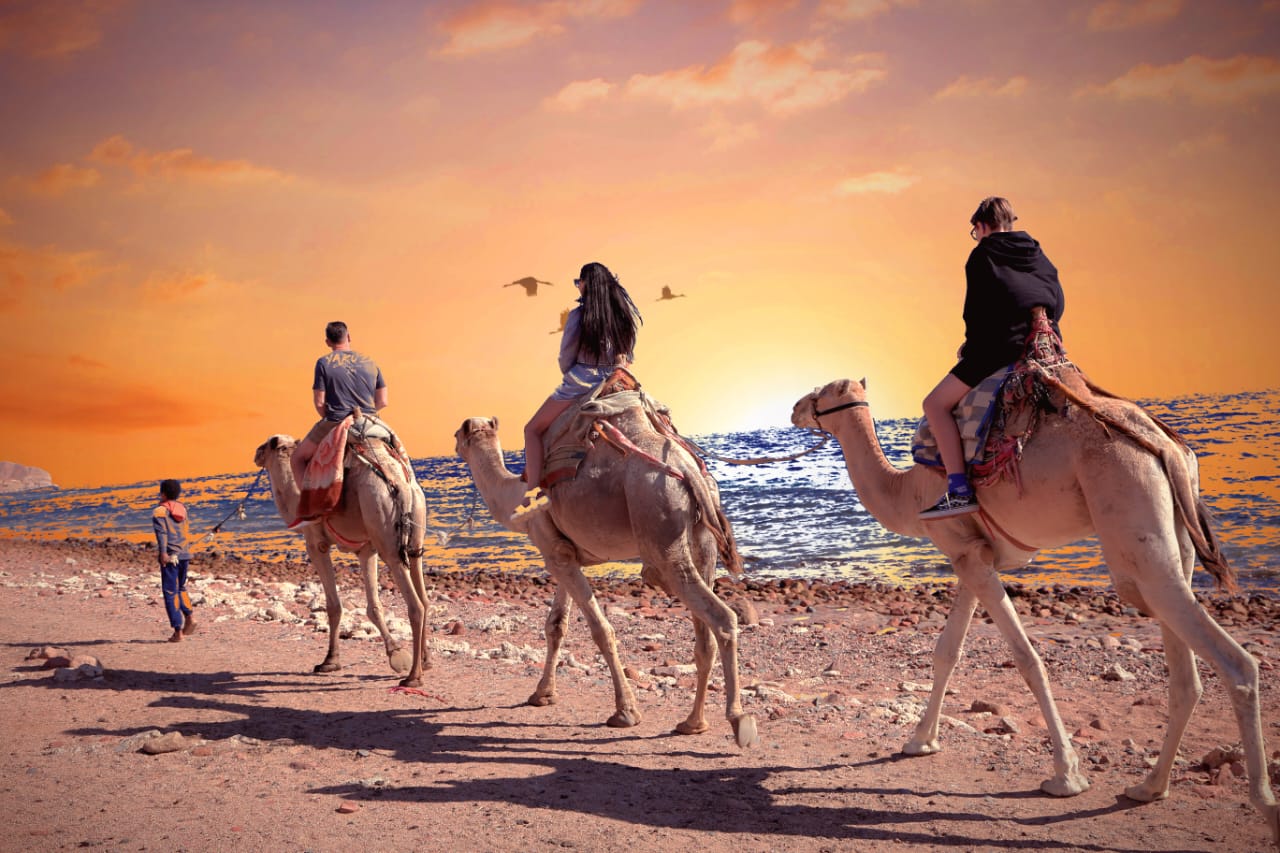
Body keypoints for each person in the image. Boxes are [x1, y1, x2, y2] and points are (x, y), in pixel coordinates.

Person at [920, 196, 1065, 519]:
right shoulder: (1040, 255)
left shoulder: (982, 255)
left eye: (976, 231)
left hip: (1001, 348)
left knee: (934, 404)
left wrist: (969, 350)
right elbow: (1058, 302)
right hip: (1044, 346)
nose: (977, 236)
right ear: (1010, 222)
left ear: (982, 226)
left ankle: (959, 490)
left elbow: (977, 314)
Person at [517, 261, 642, 517]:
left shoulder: (579, 316)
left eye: (579, 282)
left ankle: (534, 495)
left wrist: (574, 375)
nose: (578, 286)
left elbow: (566, 358)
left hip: (582, 381)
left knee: (532, 429)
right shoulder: (623, 317)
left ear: (586, 284)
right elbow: (628, 355)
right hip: (618, 379)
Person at [290, 321, 388, 488]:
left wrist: (335, 420)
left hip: (336, 420)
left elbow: (320, 402)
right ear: (348, 337)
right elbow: (383, 401)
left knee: (297, 458)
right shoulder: (370, 362)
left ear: (328, 342)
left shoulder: (323, 363)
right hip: (369, 420)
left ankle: (307, 510)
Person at [152, 478, 195, 642]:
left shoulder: (159, 511)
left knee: (170, 592)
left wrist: (163, 553)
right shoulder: (183, 509)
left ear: (163, 493)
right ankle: (190, 617)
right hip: (184, 554)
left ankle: (178, 631)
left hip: (170, 556)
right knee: (181, 587)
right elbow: (185, 530)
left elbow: (161, 534)